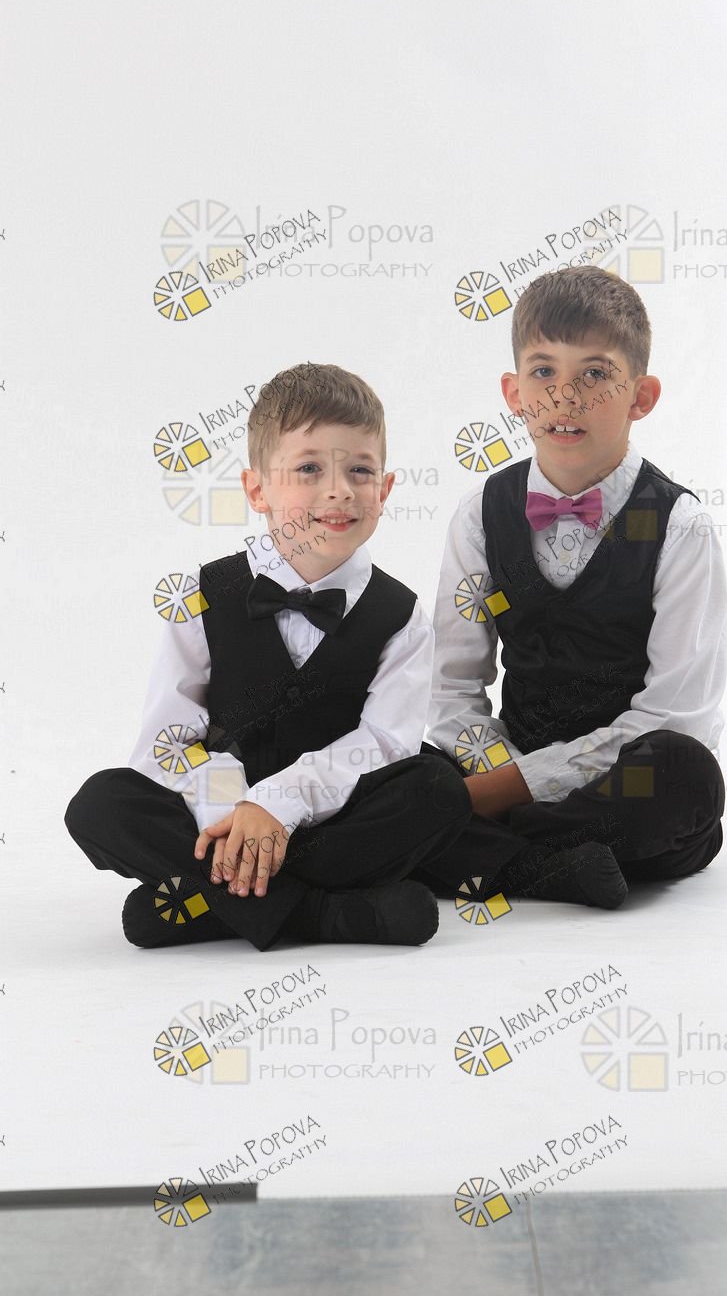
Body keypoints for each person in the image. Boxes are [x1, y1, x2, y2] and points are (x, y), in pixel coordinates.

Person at [63, 362, 472, 952]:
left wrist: (280, 802)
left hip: (332, 821)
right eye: (309, 469)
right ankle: (325, 914)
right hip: (217, 820)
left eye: (360, 470)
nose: (339, 490)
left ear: (384, 491)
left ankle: (209, 905)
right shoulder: (203, 596)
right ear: (258, 490)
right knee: (101, 804)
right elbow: (166, 744)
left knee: (438, 789)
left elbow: (387, 743)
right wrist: (236, 809)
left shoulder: (401, 615)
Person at [414, 265, 727, 910]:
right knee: (405, 768)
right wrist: (499, 769)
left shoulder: (679, 525)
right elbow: (452, 689)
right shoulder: (480, 515)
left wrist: (506, 793)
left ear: (641, 396)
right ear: (513, 391)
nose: (564, 396)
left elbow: (676, 714)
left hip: (621, 780)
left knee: (683, 774)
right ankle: (553, 864)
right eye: (543, 371)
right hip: (504, 762)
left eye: (594, 374)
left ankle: (476, 848)